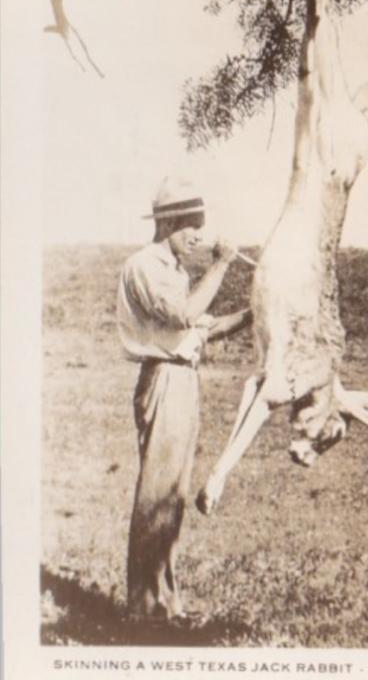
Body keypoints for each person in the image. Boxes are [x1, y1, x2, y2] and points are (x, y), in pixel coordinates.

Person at [117, 176, 251, 621]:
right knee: (158, 494)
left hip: (183, 380)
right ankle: (146, 609)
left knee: (171, 496)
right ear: (168, 221)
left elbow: (203, 326)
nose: (199, 233)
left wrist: (259, 311)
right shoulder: (147, 266)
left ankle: (164, 604)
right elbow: (185, 315)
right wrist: (223, 266)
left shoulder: (173, 270)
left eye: (201, 223)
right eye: (191, 223)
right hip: (166, 380)